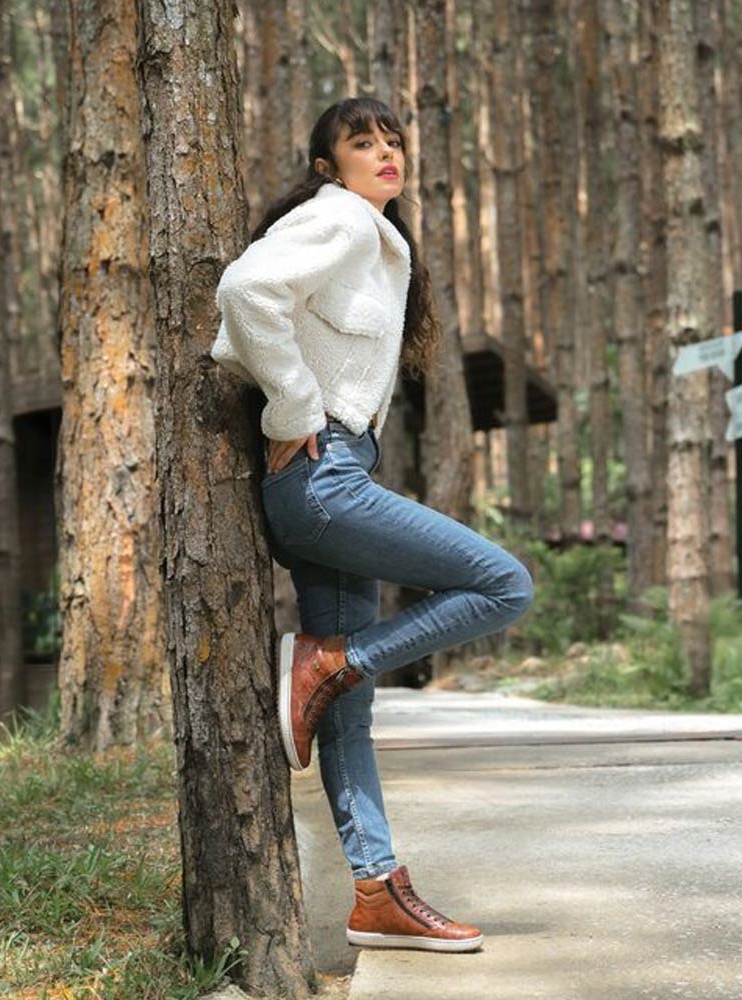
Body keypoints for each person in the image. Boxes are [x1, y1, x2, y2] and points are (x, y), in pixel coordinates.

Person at [211, 97, 534, 954]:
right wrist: (294, 405)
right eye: (363, 142)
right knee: (504, 582)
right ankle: (329, 660)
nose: (385, 153)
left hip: (329, 480)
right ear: (329, 167)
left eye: (394, 140)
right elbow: (245, 291)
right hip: (324, 479)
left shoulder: (373, 239)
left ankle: (374, 889)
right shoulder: (343, 220)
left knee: (347, 708)